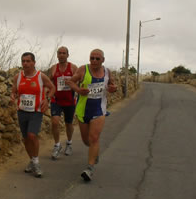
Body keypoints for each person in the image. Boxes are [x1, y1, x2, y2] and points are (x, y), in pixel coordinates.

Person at [67, 49, 117, 181]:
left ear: (103, 60)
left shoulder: (107, 72)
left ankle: (89, 168)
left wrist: (113, 88)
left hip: (99, 110)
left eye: (97, 58)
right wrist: (78, 90)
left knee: (94, 138)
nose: (94, 61)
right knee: (86, 140)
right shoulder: (83, 70)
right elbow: (70, 82)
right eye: (92, 58)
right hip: (83, 110)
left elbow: (112, 85)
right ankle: (94, 154)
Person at [11, 52, 55, 178]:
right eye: (23, 61)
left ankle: (36, 163)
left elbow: (52, 88)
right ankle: (32, 160)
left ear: (34, 63)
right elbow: (14, 91)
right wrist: (13, 96)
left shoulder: (41, 76)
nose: (25, 63)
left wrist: (47, 99)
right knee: (25, 138)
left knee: (32, 135)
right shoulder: (18, 77)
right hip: (22, 111)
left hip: (36, 111)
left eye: (28, 61)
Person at [48, 46, 78, 159]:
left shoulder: (73, 67)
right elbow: (49, 80)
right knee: (55, 122)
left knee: (68, 124)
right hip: (56, 100)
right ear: (57, 55)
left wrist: (71, 83)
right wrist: (48, 91)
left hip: (69, 100)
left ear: (67, 55)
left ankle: (69, 143)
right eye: (59, 53)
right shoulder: (53, 68)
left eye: (64, 53)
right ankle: (57, 145)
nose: (61, 55)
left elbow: (78, 80)